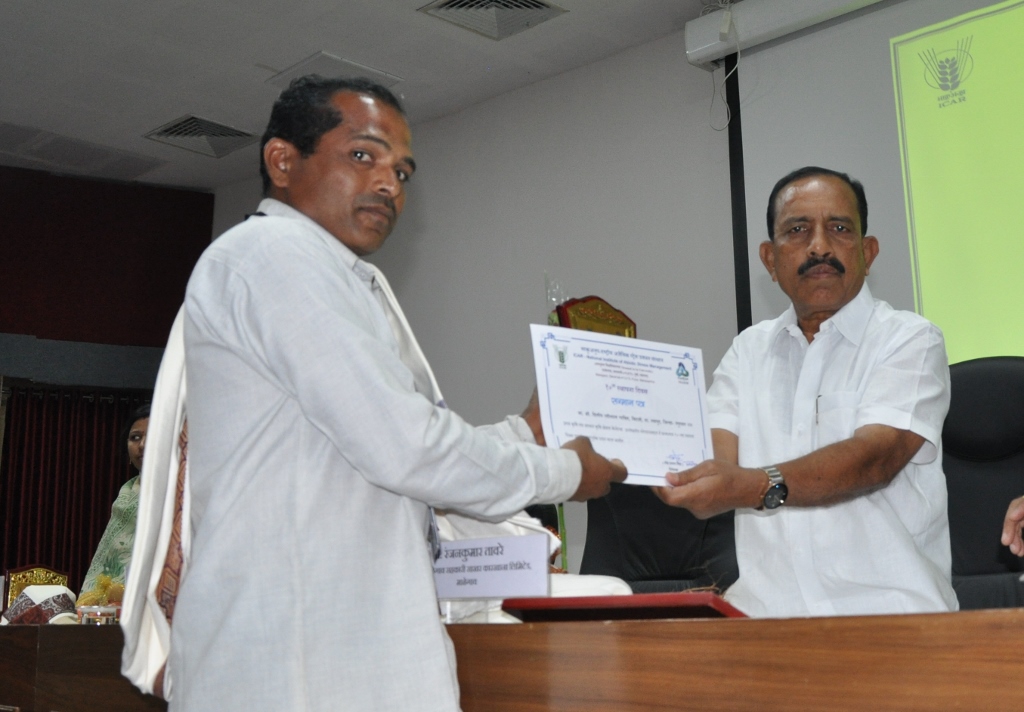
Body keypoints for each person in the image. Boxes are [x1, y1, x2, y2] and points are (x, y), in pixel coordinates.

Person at [166, 75, 626, 711]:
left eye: (402, 172)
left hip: (337, 651)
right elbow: (407, 448)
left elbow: (383, 453)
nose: (389, 184)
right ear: (282, 160)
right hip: (294, 663)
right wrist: (567, 473)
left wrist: (525, 434)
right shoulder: (272, 255)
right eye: (363, 155)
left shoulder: (334, 275)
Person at [656, 166, 958, 617]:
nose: (819, 247)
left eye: (839, 229)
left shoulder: (910, 339)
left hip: (891, 617)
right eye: (798, 230)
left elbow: (874, 459)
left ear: (868, 253)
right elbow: (714, 458)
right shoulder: (748, 350)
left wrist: (757, 485)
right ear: (769, 259)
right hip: (765, 617)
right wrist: (658, 462)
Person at [79, 403, 150, 598]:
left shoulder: (182, 490)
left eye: (153, 435)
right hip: (114, 600)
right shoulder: (127, 492)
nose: (142, 445)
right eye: (135, 437)